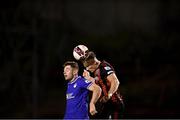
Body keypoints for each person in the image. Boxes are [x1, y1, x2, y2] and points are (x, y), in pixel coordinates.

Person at [82, 51, 125, 119]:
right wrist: (89, 78)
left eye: (89, 67)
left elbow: (115, 81)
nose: (88, 69)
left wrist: (109, 94)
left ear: (95, 63)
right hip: (107, 104)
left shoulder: (104, 67)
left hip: (115, 104)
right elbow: (99, 83)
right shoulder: (97, 70)